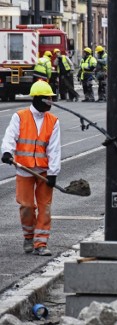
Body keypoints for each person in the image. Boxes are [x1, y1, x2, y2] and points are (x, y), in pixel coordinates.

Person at [1, 81, 60, 256]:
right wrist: (6, 152)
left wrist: (53, 173)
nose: (50, 102)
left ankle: (40, 243)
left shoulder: (53, 121)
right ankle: (28, 237)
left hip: (43, 171)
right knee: (26, 206)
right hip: (24, 169)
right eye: (47, 99)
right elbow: (10, 136)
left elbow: (54, 149)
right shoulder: (20, 117)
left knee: (45, 207)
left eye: (51, 98)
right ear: (37, 99)